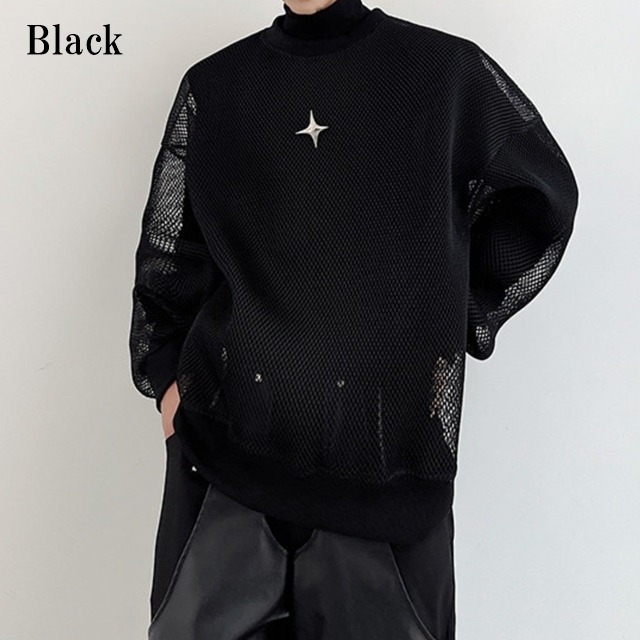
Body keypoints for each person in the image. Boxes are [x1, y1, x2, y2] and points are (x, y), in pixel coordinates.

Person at [128, 0, 579, 638]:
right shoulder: (217, 85)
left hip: (386, 480)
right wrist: (165, 377)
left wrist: (445, 311)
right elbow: (173, 248)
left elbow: (542, 198)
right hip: (222, 467)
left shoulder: (443, 73)